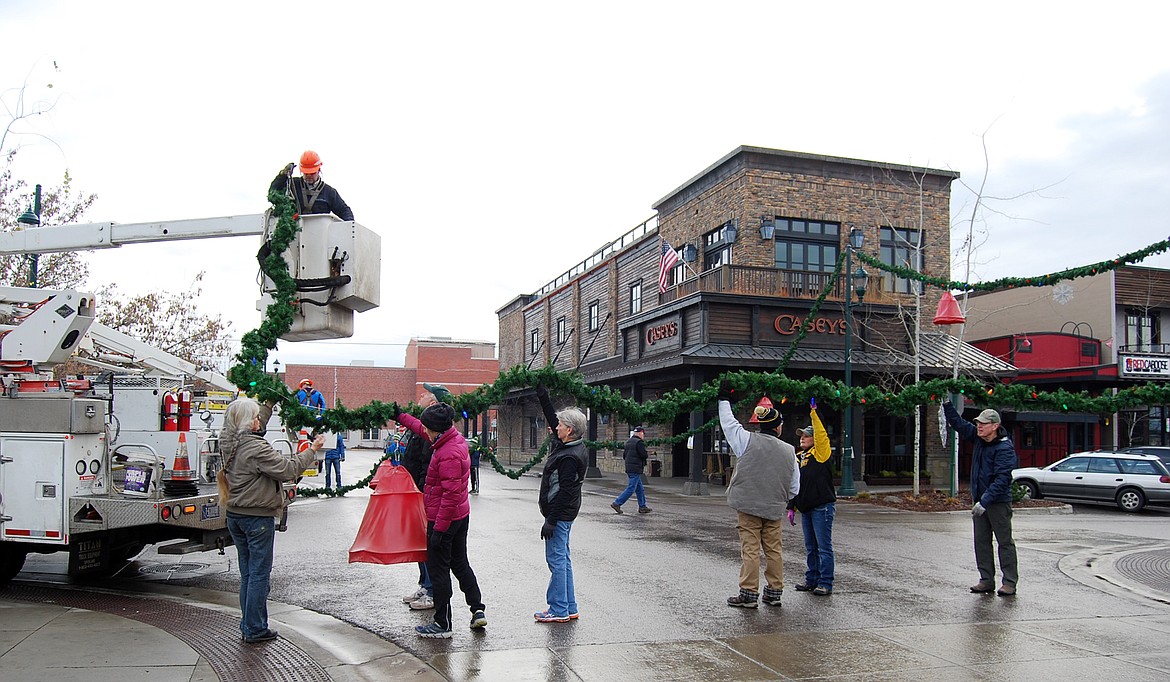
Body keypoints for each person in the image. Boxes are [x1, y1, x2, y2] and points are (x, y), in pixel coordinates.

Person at [219, 397, 324, 643]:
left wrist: (266, 406)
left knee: (247, 574)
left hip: (236, 515)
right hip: (257, 517)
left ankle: (248, 624)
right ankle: (255, 628)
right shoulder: (256, 449)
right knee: (258, 575)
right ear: (248, 422)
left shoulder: (229, 440)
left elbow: (250, 421)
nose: (259, 420)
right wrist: (313, 449)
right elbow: (288, 469)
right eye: (255, 417)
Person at [393, 401, 487, 638]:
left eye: (427, 428)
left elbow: (451, 494)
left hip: (445, 519)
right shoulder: (450, 439)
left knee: (439, 570)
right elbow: (419, 426)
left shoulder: (448, 453)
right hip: (458, 516)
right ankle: (477, 609)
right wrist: (400, 416)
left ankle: (442, 623)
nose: (423, 431)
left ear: (435, 429)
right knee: (460, 564)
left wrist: (439, 531)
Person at [717, 380, 800, 608]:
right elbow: (795, 488)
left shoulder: (746, 441)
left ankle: (748, 593)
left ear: (760, 424)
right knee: (774, 550)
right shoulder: (789, 451)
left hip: (748, 506)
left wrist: (724, 400)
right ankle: (774, 592)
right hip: (773, 508)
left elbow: (729, 424)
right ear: (778, 427)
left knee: (750, 550)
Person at [942, 401, 1019, 596]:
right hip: (980, 501)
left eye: (983, 424)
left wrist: (985, 501)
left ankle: (1009, 582)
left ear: (995, 426)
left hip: (997, 503)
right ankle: (986, 580)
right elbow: (959, 425)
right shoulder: (978, 439)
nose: (979, 426)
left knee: (1004, 542)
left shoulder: (1004, 448)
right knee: (981, 542)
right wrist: (947, 406)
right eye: (978, 423)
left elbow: (1002, 479)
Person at [534, 384, 589, 623]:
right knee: (563, 560)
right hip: (565, 514)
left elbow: (566, 491)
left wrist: (551, 520)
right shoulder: (570, 445)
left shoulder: (568, 456)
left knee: (556, 561)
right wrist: (542, 394)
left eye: (560, 426)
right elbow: (551, 416)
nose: (555, 427)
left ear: (570, 430)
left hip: (561, 514)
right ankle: (569, 606)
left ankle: (558, 609)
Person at [786, 398, 836, 596]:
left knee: (824, 547)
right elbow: (795, 484)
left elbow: (822, 434)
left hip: (822, 507)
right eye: (801, 436)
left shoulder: (821, 454)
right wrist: (792, 506)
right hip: (806, 508)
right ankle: (811, 579)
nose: (802, 438)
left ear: (815, 439)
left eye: (806, 436)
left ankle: (825, 582)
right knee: (810, 547)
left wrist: (814, 413)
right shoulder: (799, 458)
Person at [400, 387, 443, 611]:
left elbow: (427, 463)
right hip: (416, 489)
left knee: (427, 543)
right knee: (419, 540)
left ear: (433, 403)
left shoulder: (432, 431)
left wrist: (422, 490)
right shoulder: (423, 425)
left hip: (424, 493)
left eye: (425, 394)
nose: (420, 396)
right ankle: (424, 584)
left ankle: (431, 589)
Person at [269, 150, 354, 221]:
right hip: (294, 234)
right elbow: (273, 191)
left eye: (312, 173)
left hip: (320, 236)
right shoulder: (293, 185)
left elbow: (344, 211)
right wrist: (283, 175)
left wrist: (350, 228)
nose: (309, 176)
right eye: (306, 173)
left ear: (319, 170)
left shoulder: (329, 192)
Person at [611, 425, 651, 514]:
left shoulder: (628, 442)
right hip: (636, 468)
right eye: (643, 434)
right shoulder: (639, 442)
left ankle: (642, 507)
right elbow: (644, 455)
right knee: (631, 488)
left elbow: (624, 455)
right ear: (640, 433)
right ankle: (617, 503)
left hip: (629, 467)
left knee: (640, 489)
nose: (643, 435)